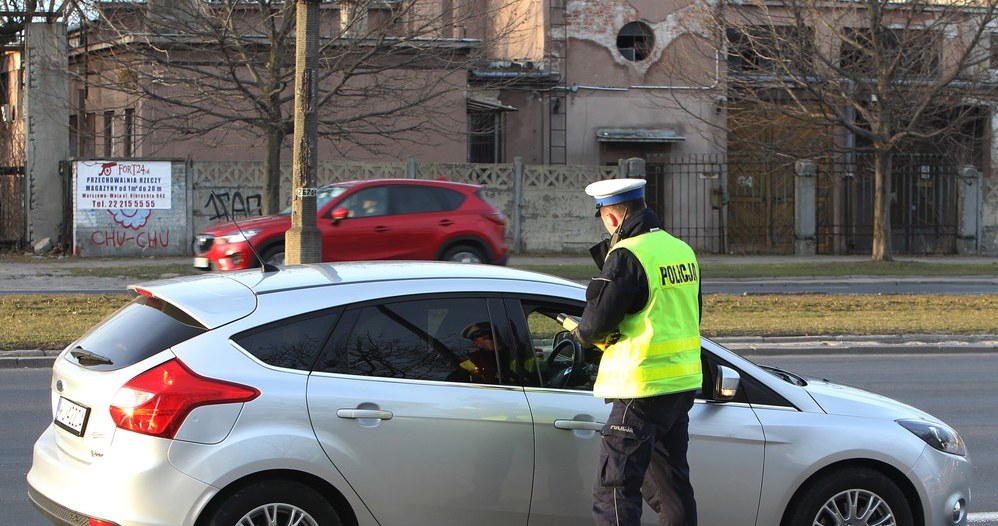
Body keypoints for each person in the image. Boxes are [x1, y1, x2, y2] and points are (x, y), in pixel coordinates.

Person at [570, 177, 702, 526]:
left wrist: (583, 336)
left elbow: (595, 323)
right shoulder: (679, 249)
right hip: (680, 385)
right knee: (672, 489)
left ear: (612, 218)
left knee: (614, 486)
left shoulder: (628, 254)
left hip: (640, 387)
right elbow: (686, 313)